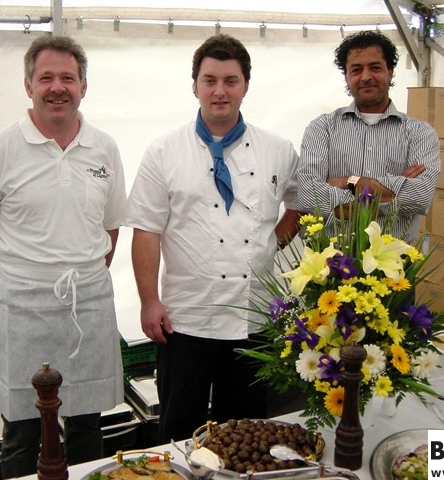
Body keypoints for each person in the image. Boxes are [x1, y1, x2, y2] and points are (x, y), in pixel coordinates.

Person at [123, 34, 302, 443]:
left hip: (253, 318)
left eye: (230, 81)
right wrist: (149, 300)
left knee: (246, 434)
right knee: (179, 431)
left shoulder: (277, 149)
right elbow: (146, 230)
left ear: (245, 86)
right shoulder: (164, 151)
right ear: (195, 86)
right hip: (185, 317)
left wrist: (272, 242)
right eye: (210, 80)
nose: (220, 91)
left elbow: (299, 204)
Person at [0, 35, 127, 478]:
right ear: (28, 85)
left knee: (87, 424)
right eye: (46, 78)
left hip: (87, 306)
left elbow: (110, 227)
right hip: (22, 311)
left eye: (68, 78)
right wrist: (19, 286)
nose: (58, 88)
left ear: (84, 86)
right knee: (23, 428)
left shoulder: (104, 148)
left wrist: (81, 279)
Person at [297, 30, 440, 245]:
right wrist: (394, 190)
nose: (365, 77)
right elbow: (308, 196)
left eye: (375, 67)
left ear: (390, 72)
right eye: (356, 70)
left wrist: (349, 181)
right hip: (331, 260)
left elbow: (419, 197)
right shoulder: (322, 128)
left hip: (394, 260)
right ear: (346, 76)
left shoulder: (419, 133)